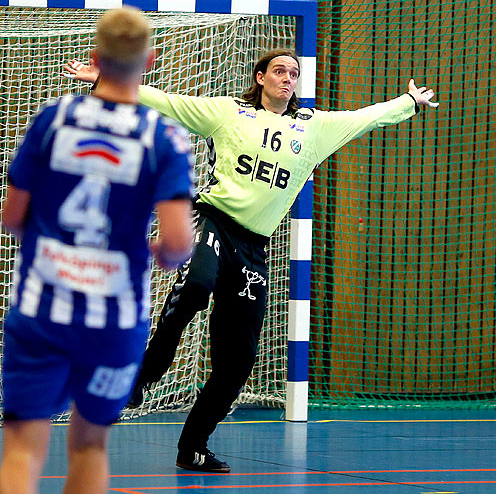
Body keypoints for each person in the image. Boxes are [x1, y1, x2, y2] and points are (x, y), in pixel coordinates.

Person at [63, 47, 439, 472]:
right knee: (196, 284)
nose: (288, 78)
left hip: (253, 248)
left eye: (294, 73)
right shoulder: (229, 113)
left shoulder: (314, 128)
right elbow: (168, 101)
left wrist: (409, 103)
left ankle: (193, 448)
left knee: (236, 364)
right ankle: (142, 378)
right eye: (279, 71)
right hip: (212, 222)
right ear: (260, 77)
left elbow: (367, 115)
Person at [1, 7, 195, 494]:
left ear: (95, 58)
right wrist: (141, 248)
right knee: (89, 446)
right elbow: (177, 246)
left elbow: (11, 217)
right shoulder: (164, 137)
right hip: (113, 317)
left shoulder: (53, 119)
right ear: (150, 61)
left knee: (22, 445)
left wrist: (54, 241)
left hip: (41, 307)